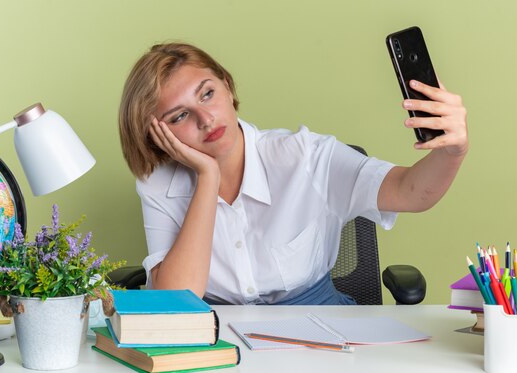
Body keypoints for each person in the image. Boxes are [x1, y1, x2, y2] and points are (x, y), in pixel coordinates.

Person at [118, 42, 468, 305]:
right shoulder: (158, 184)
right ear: (158, 138)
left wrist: (453, 151)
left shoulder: (305, 155)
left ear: (227, 85)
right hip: (218, 337)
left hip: (321, 331)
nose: (205, 119)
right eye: (179, 116)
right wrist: (207, 179)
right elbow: (176, 303)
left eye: (207, 94)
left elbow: (409, 191)